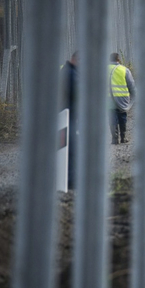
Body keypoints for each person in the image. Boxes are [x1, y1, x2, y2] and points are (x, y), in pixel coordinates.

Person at [109, 52, 136, 144]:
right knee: (122, 117)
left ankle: (115, 139)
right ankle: (123, 137)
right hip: (122, 99)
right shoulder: (124, 70)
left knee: (112, 117)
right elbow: (131, 86)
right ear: (118, 60)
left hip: (109, 99)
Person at [61, 52, 78, 189]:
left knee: (68, 149)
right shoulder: (71, 75)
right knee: (71, 149)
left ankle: (69, 179)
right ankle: (71, 181)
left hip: (67, 116)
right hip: (68, 117)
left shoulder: (67, 71)